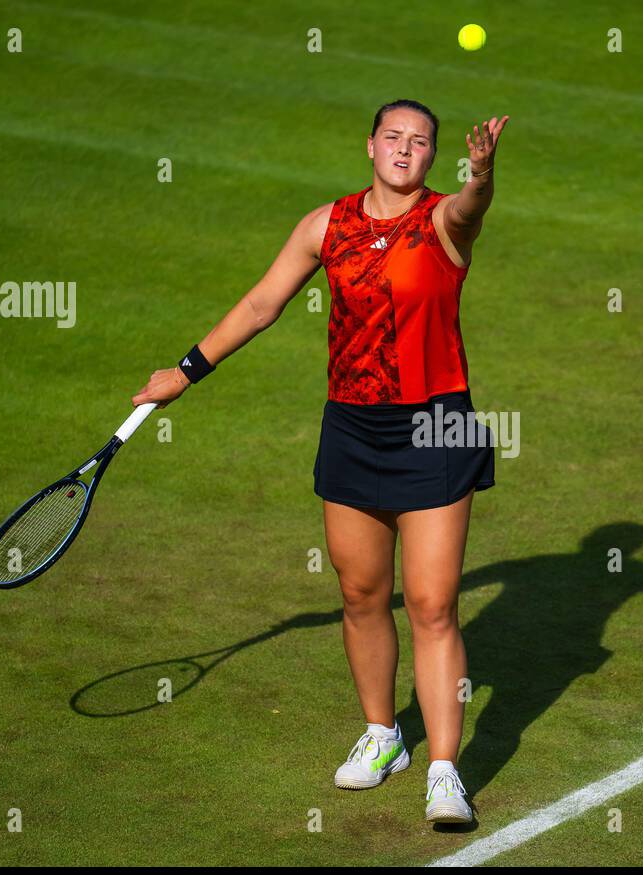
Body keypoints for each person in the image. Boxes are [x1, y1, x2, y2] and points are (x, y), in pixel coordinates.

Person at [131, 99, 510, 825]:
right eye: (394, 137)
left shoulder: (442, 223)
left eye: (421, 142)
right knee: (362, 594)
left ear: (434, 157)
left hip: (436, 431)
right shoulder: (325, 226)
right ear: (370, 145)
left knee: (432, 605)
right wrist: (184, 373)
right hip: (353, 431)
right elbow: (260, 305)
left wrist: (483, 173)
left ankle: (443, 772)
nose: (406, 149)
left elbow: (472, 205)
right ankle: (382, 736)